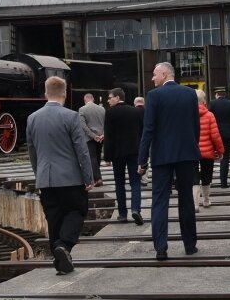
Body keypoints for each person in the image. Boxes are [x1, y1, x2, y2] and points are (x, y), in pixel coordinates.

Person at [27, 76, 93, 275]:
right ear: (64, 93)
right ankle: (64, 245)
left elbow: (32, 151)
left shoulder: (32, 118)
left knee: (54, 218)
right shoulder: (71, 116)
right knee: (78, 210)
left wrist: (39, 175)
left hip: (46, 179)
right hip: (71, 177)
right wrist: (88, 176)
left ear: (46, 93)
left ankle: (60, 263)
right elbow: (81, 149)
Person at [138, 62, 201, 260]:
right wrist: (192, 148)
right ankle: (190, 245)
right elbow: (195, 126)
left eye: (155, 74)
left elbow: (148, 130)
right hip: (187, 155)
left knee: (159, 201)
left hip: (162, 157)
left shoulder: (154, 96)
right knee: (186, 200)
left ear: (165, 74)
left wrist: (142, 160)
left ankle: (161, 248)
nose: (152, 78)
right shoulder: (190, 94)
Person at [103, 88, 144, 225]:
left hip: (117, 153)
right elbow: (141, 132)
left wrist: (107, 157)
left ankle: (122, 214)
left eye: (110, 97)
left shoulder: (110, 113)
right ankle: (136, 209)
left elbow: (108, 136)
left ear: (117, 97)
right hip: (134, 151)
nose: (108, 100)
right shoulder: (135, 111)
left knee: (119, 183)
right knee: (135, 182)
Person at [195, 89, 224, 211]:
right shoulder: (209, 115)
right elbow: (215, 135)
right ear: (204, 102)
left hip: (192, 152)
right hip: (207, 152)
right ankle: (206, 200)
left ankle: (195, 204)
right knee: (207, 176)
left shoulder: (187, 114)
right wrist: (220, 150)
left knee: (193, 178)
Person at [208, 86, 230, 188]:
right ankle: (223, 183)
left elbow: (208, 119)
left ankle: (208, 182)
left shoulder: (212, 104)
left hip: (213, 134)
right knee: (225, 158)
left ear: (216, 94)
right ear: (225, 94)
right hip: (227, 135)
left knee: (210, 158)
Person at [78, 93, 105, 187]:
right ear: (93, 99)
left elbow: (83, 126)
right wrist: (102, 135)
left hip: (89, 138)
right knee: (97, 157)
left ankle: (97, 178)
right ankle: (96, 177)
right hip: (101, 137)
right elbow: (106, 123)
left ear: (85, 100)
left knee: (92, 157)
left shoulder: (82, 109)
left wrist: (93, 136)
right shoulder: (102, 109)